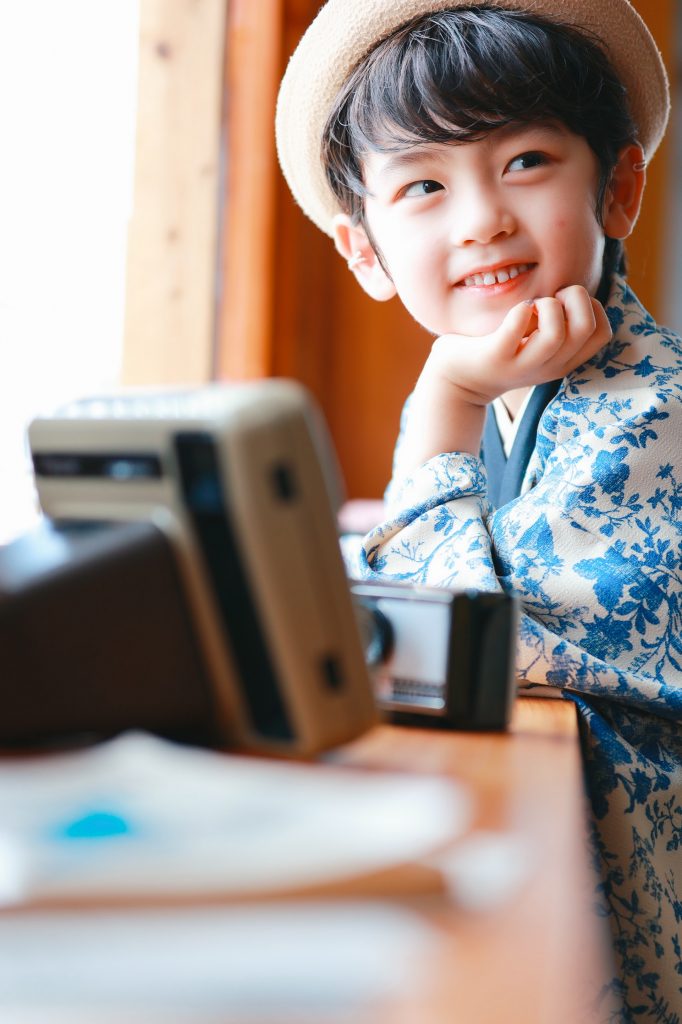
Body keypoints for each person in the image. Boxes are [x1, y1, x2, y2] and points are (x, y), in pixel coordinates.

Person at [276, 1, 682, 1018]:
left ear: (619, 189)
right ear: (364, 250)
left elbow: (453, 655)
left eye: (526, 162)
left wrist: (442, 405)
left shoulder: (654, 412)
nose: (480, 220)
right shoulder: (527, 396)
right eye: (422, 184)